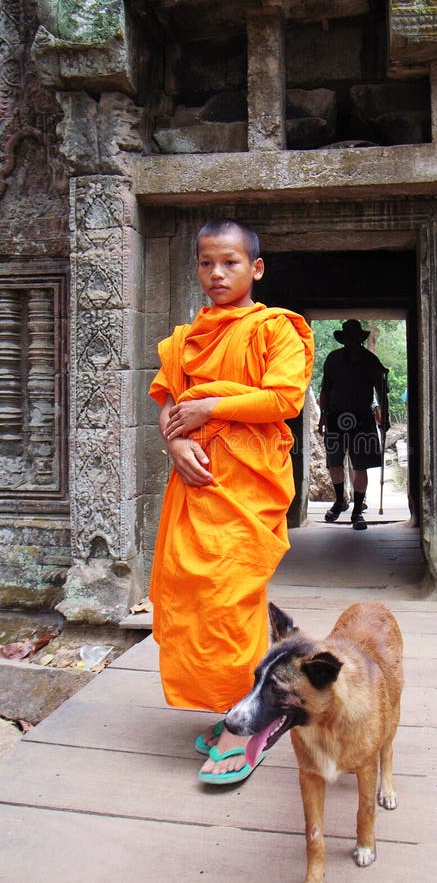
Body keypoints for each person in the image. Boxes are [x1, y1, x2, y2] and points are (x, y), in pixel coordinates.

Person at [148, 218, 314, 785]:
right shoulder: (182, 339)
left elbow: (284, 397)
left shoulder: (275, 330)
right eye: (206, 263)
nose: (216, 273)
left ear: (255, 268)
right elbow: (169, 402)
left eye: (230, 262)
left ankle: (242, 729)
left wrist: (211, 408)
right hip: (194, 485)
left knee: (231, 598)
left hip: (247, 486)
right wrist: (174, 442)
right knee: (192, 596)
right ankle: (231, 703)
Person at [318, 319, 388, 531]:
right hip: (335, 417)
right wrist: (322, 416)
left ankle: (357, 511)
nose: (351, 341)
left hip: (362, 418)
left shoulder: (370, 361)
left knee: (360, 465)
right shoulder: (333, 359)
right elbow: (326, 388)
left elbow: (381, 391)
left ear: (359, 338)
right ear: (344, 339)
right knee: (335, 463)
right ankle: (340, 500)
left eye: (354, 338)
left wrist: (384, 417)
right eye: (347, 337)